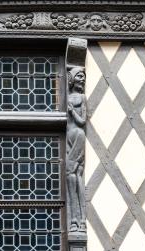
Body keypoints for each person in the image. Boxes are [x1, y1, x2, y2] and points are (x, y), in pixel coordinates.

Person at [67, 67, 86, 232]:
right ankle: (78, 219)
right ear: (71, 79)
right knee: (74, 174)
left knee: (72, 174)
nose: (82, 79)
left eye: (84, 76)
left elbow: (82, 121)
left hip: (78, 135)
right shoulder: (65, 96)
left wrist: (72, 112)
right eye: (79, 76)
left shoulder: (82, 97)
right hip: (68, 138)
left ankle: (77, 220)